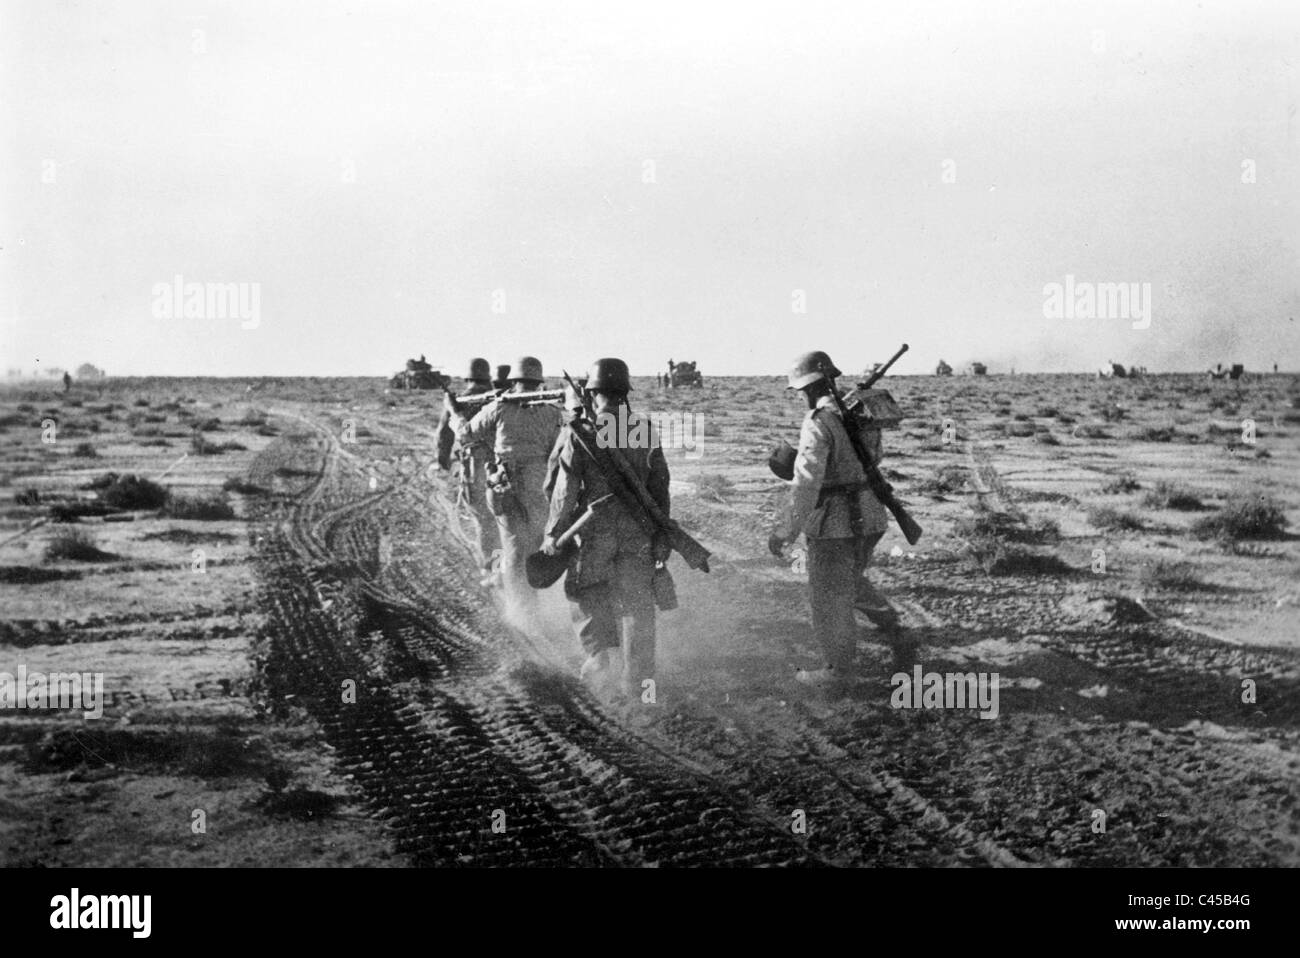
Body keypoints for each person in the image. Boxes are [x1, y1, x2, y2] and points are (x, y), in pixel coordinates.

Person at [767, 350, 900, 690]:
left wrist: (786, 530)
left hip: (834, 524)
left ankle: (837, 673)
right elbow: (875, 457)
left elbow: (806, 484)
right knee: (849, 579)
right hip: (870, 517)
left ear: (806, 388)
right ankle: (892, 626)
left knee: (827, 597)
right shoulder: (859, 415)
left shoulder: (818, 422)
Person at [542, 358, 670, 699]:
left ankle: (599, 660)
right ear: (623, 393)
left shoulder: (579, 431)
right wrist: (661, 533)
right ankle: (643, 690)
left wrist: (553, 533)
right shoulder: (643, 429)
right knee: (637, 608)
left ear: (593, 393)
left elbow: (563, 489)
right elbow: (660, 486)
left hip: (594, 532)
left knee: (585, 591)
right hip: (638, 531)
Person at [458, 356, 562, 606]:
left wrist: (456, 416)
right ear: (539, 383)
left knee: (514, 545)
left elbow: (465, 435)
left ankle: (523, 610)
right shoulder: (550, 412)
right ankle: (536, 599)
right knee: (536, 542)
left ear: (513, 382)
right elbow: (555, 449)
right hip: (539, 485)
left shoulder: (499, 408)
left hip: (506, 485)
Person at [437, 358, 500, 584]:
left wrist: (444, 461)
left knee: (485, 520)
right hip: (503, 466)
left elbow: (443, 435)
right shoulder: (499, 398)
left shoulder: (458, 401)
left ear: (468, 377)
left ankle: (493, 568)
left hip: (475, 467)